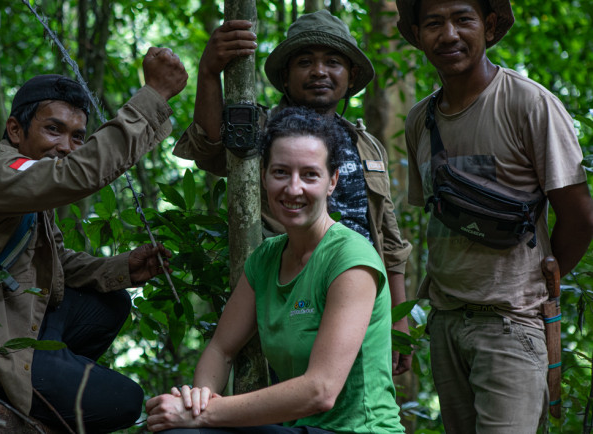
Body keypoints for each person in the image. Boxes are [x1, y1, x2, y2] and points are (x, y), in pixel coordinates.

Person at [0, 47, 188, 432]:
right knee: (128, 402)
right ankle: (6, 390)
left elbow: (52, 262)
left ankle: (44, 385)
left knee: (111, 303)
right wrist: (152, 96)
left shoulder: (26, 186)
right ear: (16, 130)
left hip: (17, 324)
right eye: (54, 129)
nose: (66, 146)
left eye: (77, 136)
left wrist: (121, 268)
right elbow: (74, 175)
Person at [173, 10, 414, 375]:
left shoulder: (366, 145)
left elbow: (390, 241)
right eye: (305, 62)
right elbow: (210, 148)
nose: (319, 71)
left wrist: (398, 319)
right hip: (288, 301)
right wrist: (209, 73)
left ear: (350, 79)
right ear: (286, 78)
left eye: (333, 62)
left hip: (360, 302)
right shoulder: (262, 132)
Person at [395, 0, 593, 431]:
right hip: (446, 324)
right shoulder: (419, 121)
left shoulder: (529, 104)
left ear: (487, 25)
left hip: (511, 326)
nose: (448, 34)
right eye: (433, 23)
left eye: (462, 19)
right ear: (419, 35)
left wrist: (537, 286)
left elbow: (579, 219)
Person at [145, 106, 404, 433]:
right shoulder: (266, 258)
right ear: (263, 175)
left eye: (310, 174)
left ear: (332, 181)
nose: (293, 188)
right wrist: (200, 400)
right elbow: (221, 349)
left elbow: (321, 390)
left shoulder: (350, 258)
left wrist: (205, 415)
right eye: (281, 172)